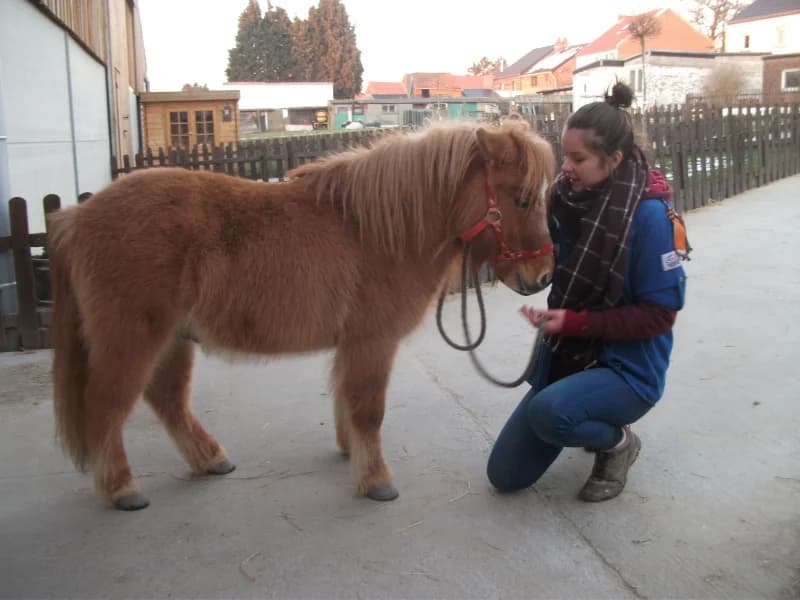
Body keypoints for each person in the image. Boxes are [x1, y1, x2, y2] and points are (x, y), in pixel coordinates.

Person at [486, 82, 688, 502]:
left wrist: (573, 323)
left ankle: (617, 443)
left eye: (578, 159)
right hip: (571, 356)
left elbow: (659, 315)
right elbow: (541, 252)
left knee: (549, 413)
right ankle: (577, 406)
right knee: (505, 474)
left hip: (627, 369)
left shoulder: (650, 216)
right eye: (566, 156)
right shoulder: (566, 200)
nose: (567, 168)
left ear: (613, 159)